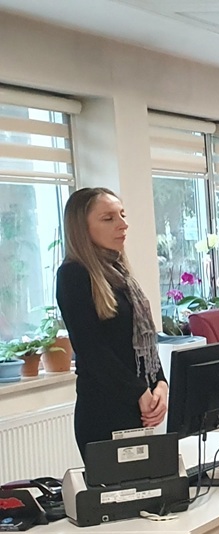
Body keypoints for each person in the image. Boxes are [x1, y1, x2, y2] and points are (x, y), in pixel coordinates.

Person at [55, 188, 167, 456]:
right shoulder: (73, 274)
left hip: (137, 404)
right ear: (82, 228)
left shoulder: (118, 272)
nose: (123, 224)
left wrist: (161, 384)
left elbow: (141, 342)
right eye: (108, 218)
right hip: (104, 411)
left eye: (122, 215)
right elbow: (92, 350)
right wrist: (139, 392)